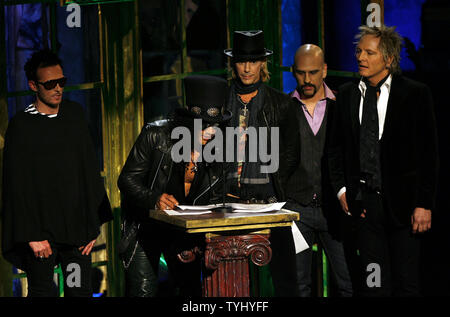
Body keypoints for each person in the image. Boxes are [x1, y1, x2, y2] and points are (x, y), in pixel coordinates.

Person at [327, 25, 439, 296]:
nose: (360, 58)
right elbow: (334, 149)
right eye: (358, 51)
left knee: (406, 282)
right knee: (373, 282)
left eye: (369, 52)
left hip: (405, 207)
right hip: (365, 208)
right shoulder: (347, 95)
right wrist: (342, 190)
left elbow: (428, 153)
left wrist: (424, 203)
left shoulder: (415, 93)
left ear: (388, 59)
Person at [1, 49, 112, 297]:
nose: (58, 89)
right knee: (43, 293)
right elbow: (16, 186)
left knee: (79, 292)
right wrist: (30, 235)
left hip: (75, 234)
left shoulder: (74, 115)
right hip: (41, 235)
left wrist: (91, 225)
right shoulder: (21, 126)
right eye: (50, 84)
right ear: (33, 85)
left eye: (61, 81)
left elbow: (88, 170)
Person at [117, 75, 231, 297]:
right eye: (202, 125)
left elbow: (216, 198)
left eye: (213, 125)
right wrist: (154, 198)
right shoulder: (155, 135)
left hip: (183, 233)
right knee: (144, 292)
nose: (208, 132)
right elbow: (126, 180)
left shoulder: (220, 149)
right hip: (144, 229)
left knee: (190, 291)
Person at [224, 30, 300, 296]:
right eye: (241, 61)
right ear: (233, 63)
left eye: (253, 61)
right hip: (226, 199)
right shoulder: (221, 100)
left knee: (282, 277)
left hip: (269, 200)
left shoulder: (281, 103)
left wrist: (275, 190)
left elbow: (291, 153)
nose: (246, 68)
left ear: (262, 64)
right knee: (230, 279)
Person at [285, 44, 352, 297]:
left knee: (347, 283)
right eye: (301, 73)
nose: (307, 79)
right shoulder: (285, 108)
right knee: (298, 285)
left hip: (334, 209)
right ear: (293, 72)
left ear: (324, 70)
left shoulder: (341, 106)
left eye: (313, 72)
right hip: (296, 209)